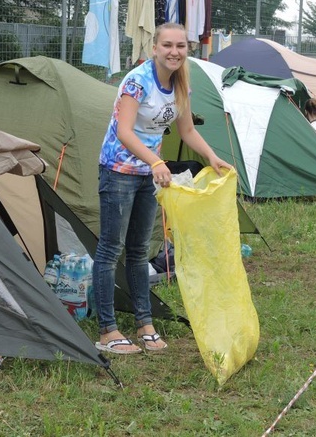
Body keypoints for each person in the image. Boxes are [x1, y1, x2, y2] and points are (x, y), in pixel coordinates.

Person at [93, 22, 232, 355]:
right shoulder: (137, 82)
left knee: (140, 250)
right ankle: (107, 331)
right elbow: (125, 132)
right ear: (154, 48)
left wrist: (212, 157)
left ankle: (145, 324)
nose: (174, 52)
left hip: (149, 175)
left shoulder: (182, 83)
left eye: (181, 46)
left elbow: (186, 132)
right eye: (167, 45)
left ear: (189, 49)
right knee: (111, 249)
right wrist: (156, 163)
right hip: (119, 170)